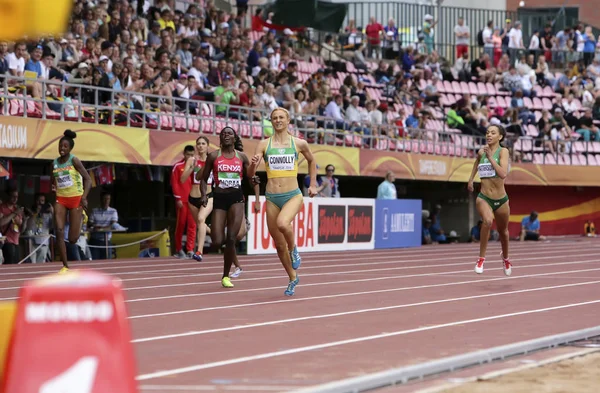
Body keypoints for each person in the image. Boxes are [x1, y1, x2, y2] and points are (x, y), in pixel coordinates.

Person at [248, 107, 318, 296]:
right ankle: (292, 277)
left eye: (281, 117)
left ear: (288, 120)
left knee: (282, 224)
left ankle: (294, 249)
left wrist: (312, 184)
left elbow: (312, 162)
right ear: (271, 122)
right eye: (274, 118)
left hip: (292, 195)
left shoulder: (299, 143)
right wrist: (253, 165)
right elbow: (250, 175)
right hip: (271, 198)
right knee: (279, 246)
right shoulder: (263, 144)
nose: (278, 120)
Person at [198, 127, 257, 288]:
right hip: (219, 198)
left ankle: (225, 276)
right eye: (223, 134)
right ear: (220, 138)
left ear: (234, 137)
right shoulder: (213, 156)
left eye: (229, 134)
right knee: (217, 241)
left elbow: (250, 179)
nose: (226, 136)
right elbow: (204, 179)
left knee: (231, 237)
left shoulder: (242, 157)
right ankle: (231, 253)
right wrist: (204, 195)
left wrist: (255, 182)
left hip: (236, 199)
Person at [468, 124, 512, 276]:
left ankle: (505, 258)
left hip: (501, 199)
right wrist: (470, 180)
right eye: (487, 132)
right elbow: (476, 162)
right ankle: (481, 258)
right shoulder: (481, 152)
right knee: (487, 221)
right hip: (484, 196)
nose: (489, 135)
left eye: (493, 133)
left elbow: (503, 173)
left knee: (504, 232)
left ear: (500, 137)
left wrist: (491, 158)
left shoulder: (503, 152)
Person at [52, 130, 92, 273]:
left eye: (65, 146)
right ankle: (65, 266)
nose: (62, 149)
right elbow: (54, 179)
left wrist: (84, 197)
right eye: (60, 146)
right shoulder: (54, 163)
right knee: (59, 231)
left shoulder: (74, 160)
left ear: (70, 149)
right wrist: (54, 187)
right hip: (61, 199)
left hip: (76, 199)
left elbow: (88, 179)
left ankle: (82, 216)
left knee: (73, 239)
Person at [171, 145, 196, 259]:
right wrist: (178, 198)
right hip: (182, 200)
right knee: (180, 224)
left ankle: (190, 249)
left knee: (192, 225)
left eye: (192, 155)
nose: (190, 157)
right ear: (184, 154)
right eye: (188, 155)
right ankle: (179, 249)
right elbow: (174, 183)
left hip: (193, 200)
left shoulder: (196, 167)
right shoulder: (178, 166)